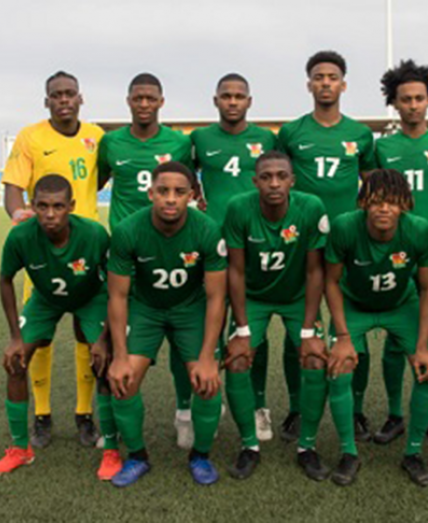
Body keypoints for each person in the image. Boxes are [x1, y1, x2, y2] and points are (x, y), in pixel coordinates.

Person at [0, 176, 121, 481]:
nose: (49, 214)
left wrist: (103, 339)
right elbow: (5, 280)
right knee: (15, 363)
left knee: (105, 361)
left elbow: (116, 284)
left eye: (58, 206)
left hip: (91, 297)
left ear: (71, 207)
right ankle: (21, 449)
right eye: (42, 206)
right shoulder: (21, 236)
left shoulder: (95, 235)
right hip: (46, 299)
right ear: (32, 206)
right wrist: (14, 337)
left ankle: (111, 449)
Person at [106, 161, 227, 487]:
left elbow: (217, 297)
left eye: (179, 192)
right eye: (163, 191)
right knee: (123, 380)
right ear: (150, 193)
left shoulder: (206, 229)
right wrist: (118, 355)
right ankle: (137, 457)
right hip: (145, 310)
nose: (170, 199)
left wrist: (207, 358)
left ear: (191, 194)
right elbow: (117, 296)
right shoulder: (128, 230)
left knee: (206, 383)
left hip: (190, 309)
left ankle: (200, 455)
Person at [1, 71, 105, 448]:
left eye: (70, 93)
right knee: (40, 339)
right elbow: (13, 187)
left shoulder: (97, 137)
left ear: (81, 98)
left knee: (86, 335)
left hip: (87, 253)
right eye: (56, 95)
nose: (63, 99)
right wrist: (18, 216)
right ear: (47, 101)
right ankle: (42, 416)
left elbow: (105, 175)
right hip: (45, 252)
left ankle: (84, 415)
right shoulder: (31, 136)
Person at [278, 50, 377, 441]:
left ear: (343, 84)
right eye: (318, 76)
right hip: (301, 243)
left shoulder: (360, 134)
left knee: (352, 328)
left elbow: (371, 188)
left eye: (332, 77)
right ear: (309, 84)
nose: (325, 83)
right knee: (300, 329)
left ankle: (354, 407)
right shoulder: (291, 132)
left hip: (348, 242)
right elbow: (279, 180)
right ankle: (298, 407)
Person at [321, 169, 428, 486]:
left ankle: (413, 452)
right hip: (354, 304)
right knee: (339, 367)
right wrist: (343, 337)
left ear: (405, 205)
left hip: (402, 305)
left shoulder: (419, 230)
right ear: (363, 204)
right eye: (375, 202)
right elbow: (330, 281)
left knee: (426, 369)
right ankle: (348, 452)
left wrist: (423, 344)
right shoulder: (345, 226)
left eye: (392, 202)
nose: (383, 208)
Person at [97, 72, 196, 449]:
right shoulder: (110, 143)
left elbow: (190, 183)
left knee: (182, 332)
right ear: (128, 101)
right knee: (115, 331)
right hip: (128, 250)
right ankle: (111, 423)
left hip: (172, 246)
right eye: (137, 98)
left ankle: (185, 412)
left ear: (161, 102)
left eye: (150, 98)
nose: (143, 104)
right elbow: (98, 181)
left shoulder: (178, 143)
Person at [222, 151, 328, 479]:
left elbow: (315, 272)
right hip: (253, 297)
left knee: (315, 359)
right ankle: (249, 446)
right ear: (255, 182)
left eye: (281, 176)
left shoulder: (310, 207)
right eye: (266, 177)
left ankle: (307, 446)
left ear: (292, 181)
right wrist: (241, 329)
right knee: (237, 358)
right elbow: (235, 272)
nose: (274, 183)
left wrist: (309, 333)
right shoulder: (239, 208)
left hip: (297, 296)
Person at [374, 59, 428, 448]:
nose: (412, 105)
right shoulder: (382, 148)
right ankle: (394, 414)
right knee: (396, 338)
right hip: (394, 253)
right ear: (394, 103)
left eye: (419, 98)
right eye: (405, 99)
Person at [190, 73, 279, 441]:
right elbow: (183, 173)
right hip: (211, 243)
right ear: (215, 101)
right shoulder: (199, 139)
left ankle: (259, 407)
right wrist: (197, 196)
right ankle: (198, 398)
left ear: (249, 101)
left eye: (239, 96)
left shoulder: (266, 139)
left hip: (254, 244)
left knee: (251, 324)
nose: (232, 101)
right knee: (206, 318)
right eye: (226, 96)